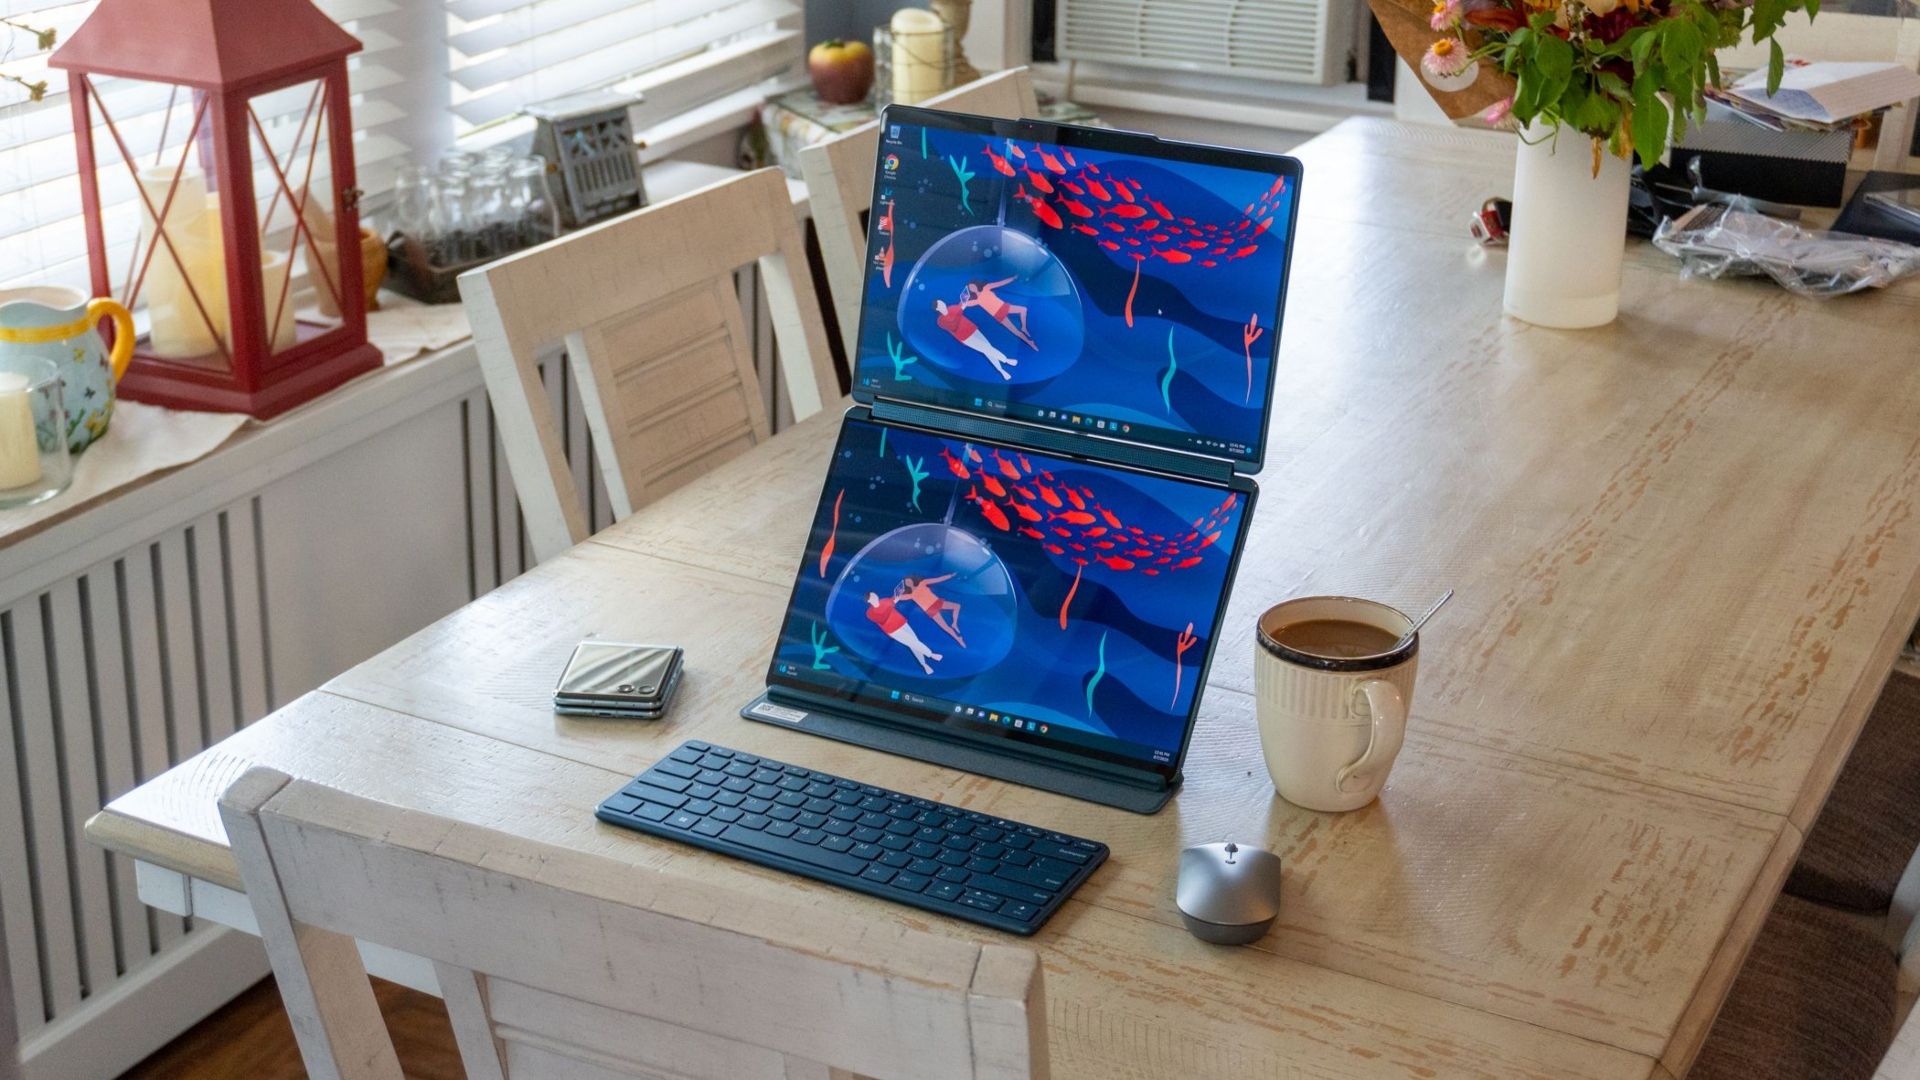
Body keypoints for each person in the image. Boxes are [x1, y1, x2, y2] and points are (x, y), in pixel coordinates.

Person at [933, 298, 1018, 381]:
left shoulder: (953, 307)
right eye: (940, 304)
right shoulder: (940, 321)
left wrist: (963, 302)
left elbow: (959, 309)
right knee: (986, 349)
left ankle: (1002, 371)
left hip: (973, 329)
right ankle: (1006, 360)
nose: (943, 304)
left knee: (988, 349)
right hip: (965, 337)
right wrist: (961, 309)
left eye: (942, 302)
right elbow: (953, 326)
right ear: (937, 308)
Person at [865, 591, 942, 674]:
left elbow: (894, 599)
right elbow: (882, 619)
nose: (875, 595)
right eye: (872, 595)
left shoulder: (885, 600)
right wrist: (892, 604)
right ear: (869, 600)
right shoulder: (870, 613)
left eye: (874, 594)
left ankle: (924, 665)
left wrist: (899, 594)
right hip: (894, 630)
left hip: (902, 623)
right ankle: (931, 654)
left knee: (914, 643)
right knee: (912, 642)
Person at [962, 277, 1035, 349]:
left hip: (1004, 306)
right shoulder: (976, 300)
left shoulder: (986, 287)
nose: (972, 288)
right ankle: (1029, 342)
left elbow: (1000, 283)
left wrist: (1012, 278)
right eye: (970, 288)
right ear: (970, 291)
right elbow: (964, 304)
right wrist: (964, 295)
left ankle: (1024, 327)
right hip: (998, 314)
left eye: (973, 286)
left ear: (976, 284)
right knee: (1015, 331)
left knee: (1023, 309)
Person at [895, 573, 965, 647]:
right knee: (945, 627)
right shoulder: (910, 595)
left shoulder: (923, 583)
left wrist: (950, 576)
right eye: (907, 582)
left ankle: (954, 623)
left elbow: (938, 579)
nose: (909, 583)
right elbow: (898, 597)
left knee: (957, 606)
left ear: (913, 580)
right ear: (906, 585)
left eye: (909, 581)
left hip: (937, 602)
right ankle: (958, 639)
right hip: (930, 609)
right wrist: (898, 592)